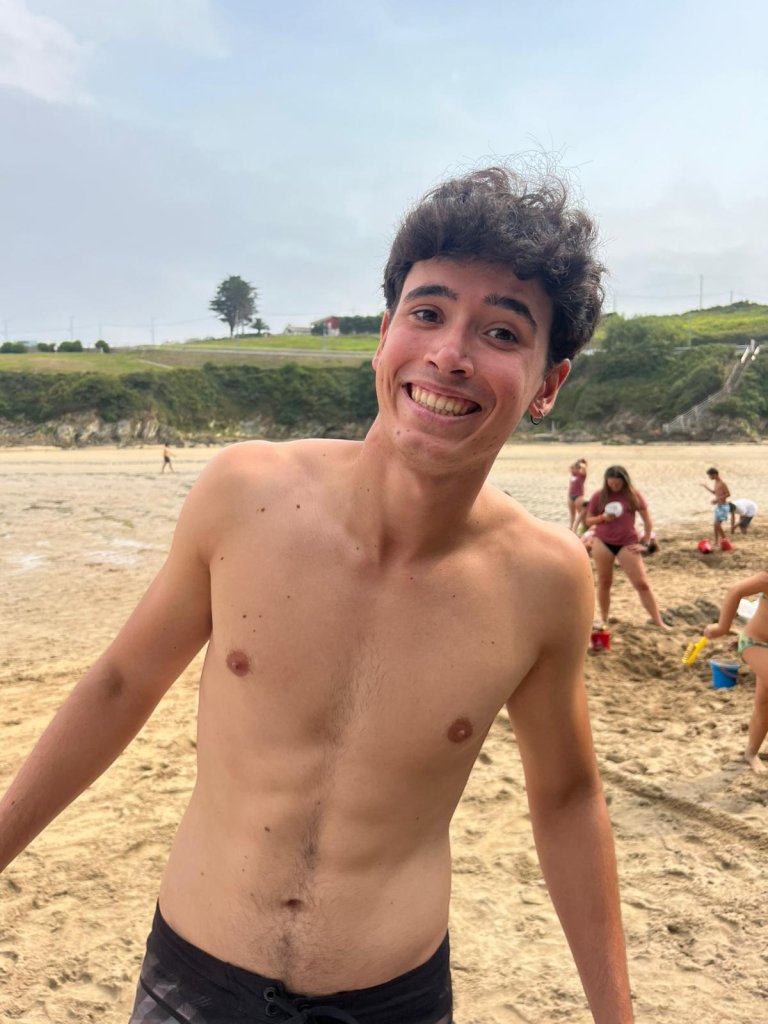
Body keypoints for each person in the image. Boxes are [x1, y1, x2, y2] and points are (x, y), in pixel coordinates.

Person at [0, 167, 634, 1024]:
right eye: (427, 313)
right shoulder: (244, 494)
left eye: (500, 331)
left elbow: (567, 797)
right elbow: (121, 684)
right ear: (385, 335)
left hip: (394, 999)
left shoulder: (545, 580)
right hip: (194, 981)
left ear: (548, 384)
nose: (450, 353)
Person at [585, 465, 669, 630]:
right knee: (604, 581)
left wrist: (645, 543)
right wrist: (603, 518)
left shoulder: (633, 495)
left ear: (624, 481)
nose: (614, 487)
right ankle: (604, 620)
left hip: (627, 543)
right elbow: (588, 521)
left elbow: (647, 521)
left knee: (642, 583)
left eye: (617, 484)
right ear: (606, 482)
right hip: (603, 542)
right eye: (611, 484)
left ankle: (659, 622)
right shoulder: (599, 496)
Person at [704, 570, 768, 774]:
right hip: (755, 643)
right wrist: (722, 628)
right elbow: (736, 591)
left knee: (764, 705)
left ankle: (751, 753)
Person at [702, 467, 730, 544]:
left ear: (715, 474)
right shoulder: (716, 483)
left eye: (710, 475)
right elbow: (716, 493)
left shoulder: (722, 483)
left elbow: (728, 494)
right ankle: (716, 541)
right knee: (715, 525)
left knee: (717, 524)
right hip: (719, 506)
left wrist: (717, 499)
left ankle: (725, 541)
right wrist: (706, 487)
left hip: (724, 507)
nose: (709, 477)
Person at [567, 457, 588, 531]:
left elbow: (584, 468)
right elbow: (570, 467)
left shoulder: (582, 475)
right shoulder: (574, 474)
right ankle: (571, 530)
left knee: (582, 514)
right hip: (570, 496)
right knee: (572, 515)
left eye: (577, 467)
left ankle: (583, 528)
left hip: (578, 497)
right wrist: (576, 464)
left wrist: (581, 464)